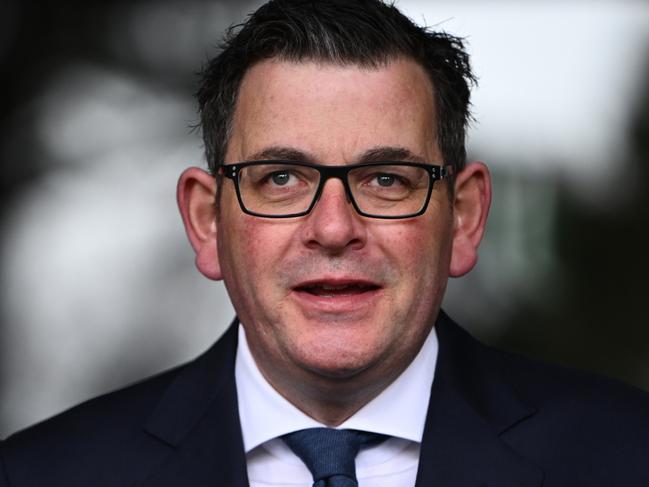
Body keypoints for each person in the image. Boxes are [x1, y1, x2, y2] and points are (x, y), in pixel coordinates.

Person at [1, 0, 647, 486]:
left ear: (463, 218)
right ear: (206, 222)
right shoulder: (42, 474)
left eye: (387, 178)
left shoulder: (625, 455)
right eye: (280, 178)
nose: (334, 228)